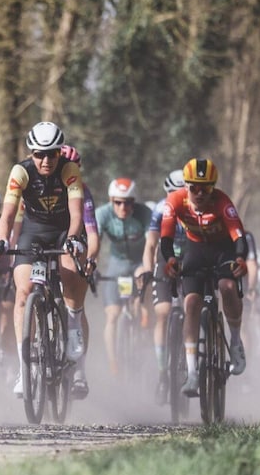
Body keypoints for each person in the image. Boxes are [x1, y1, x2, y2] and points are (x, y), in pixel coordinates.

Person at [0, 122, 91, 399]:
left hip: (63, 230)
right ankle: (25, 372)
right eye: (39, 154)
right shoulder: (21, 171)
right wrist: (1, 239)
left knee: (71, 275)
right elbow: (8, 215)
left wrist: (73, 238)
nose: (46, 160)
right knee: (23, 293)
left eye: (52, 154)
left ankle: (72, 329)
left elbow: (76, 214)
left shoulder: (69, 169)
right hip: (34, 233)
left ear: (60, 153)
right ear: (31, 153)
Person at [160, 158, 249, 397]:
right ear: (186, 186)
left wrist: (240, 258)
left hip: (223, 249)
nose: (199, 194)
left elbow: (239, 236)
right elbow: (166, 237)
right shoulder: (175, 200)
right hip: (196, 249)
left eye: (206, 189)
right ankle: (192, 373)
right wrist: (169, 259)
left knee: (228, 286)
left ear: (213, 188)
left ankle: (236, 342)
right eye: (194, 188)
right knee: (191, 303)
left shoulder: (222, 202)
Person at [96, 177, 153, 375]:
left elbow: (152, 245)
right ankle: (114, 362)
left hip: (139, 262)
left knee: (142, 285)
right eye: (117, 202)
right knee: (112, 315)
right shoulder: (102, 214)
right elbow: (94, 242)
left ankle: (142, 322)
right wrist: (92, 265)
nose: (123, 207)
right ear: (111, 201)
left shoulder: (145, 214)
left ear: (134, 202)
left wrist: (147, 269)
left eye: (128, 202)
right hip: (117, 265)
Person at [141, 169, 187, 402]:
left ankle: (194, 360)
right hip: (165, 258)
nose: (177, 198)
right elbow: (150, 244)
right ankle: (162, 373)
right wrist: (148, 270)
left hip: (191, 257)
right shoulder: (160, 209)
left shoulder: (196, 208)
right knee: (162, 313)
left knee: (194, 305)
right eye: (172, 193)